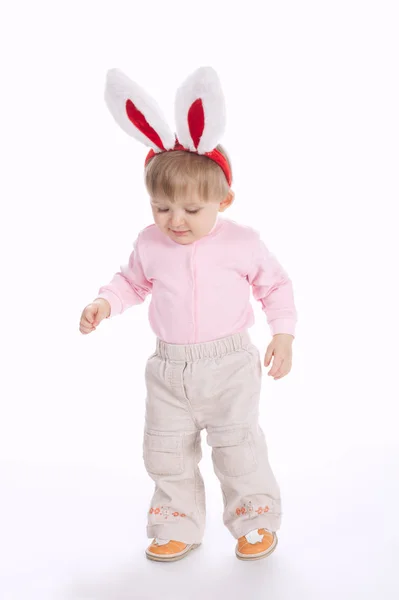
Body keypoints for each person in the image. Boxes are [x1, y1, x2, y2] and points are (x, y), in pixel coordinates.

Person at [79, 67, 297, 562]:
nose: (175, 221)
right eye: (161, 207)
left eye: (192, 210)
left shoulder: (242, 243)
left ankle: (254, 521)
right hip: (168, 368)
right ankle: (179, 523)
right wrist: (103, 303)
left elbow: (275, 286)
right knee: (165, 451)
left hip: (229, 367)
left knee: (237, 448)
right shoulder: (150, 242)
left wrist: (282, 335)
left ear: (224, 200)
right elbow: (130, 281)